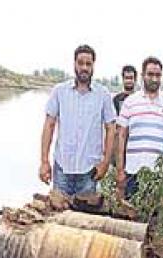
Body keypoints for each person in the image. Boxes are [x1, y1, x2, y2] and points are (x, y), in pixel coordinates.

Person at [39, 44, 116, 198]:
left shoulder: (103, 95)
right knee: (58, 215)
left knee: (85, 219)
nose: (84, 68)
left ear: (94, 65)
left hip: (90, 172)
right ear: (74, 64)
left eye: (88, 64)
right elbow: (49, 125)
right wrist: (44, 162)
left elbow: (111, 129)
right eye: (80, 63)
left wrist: (105, 163)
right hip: (62, 168)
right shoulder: (59, 91)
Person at [115, 57, 163, 199]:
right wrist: (120, 170)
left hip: (159, 175)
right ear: (142, 76)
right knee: (131, 217)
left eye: (157, 75)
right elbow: (121, 137)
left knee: (155, 218)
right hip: (133, 172)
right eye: (150, 74)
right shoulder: (130, 102)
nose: (154, 79)